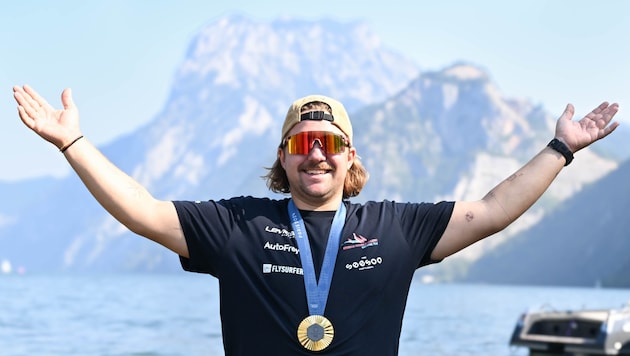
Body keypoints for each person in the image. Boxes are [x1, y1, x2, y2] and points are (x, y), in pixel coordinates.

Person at [13, 84, 620, 355]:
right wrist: (75, 145)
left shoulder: (396, 227)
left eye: (331, 143)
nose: (318, 154)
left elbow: (490, 212)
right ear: (284, 156)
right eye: (303, 144)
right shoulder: (237, 226)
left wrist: (560, 150)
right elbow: (143, 210)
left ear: (351, 156)